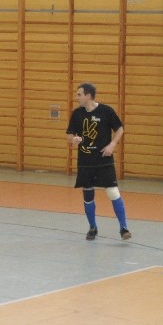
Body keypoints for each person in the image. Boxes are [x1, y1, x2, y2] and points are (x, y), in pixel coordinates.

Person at [66, 83, 131, 241]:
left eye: (79, 94)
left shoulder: (106, 111)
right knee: (88, 195)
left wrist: (112, 144)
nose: (77, 97)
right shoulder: (77, 114)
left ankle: (123, 228)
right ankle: (92, 227)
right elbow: (69, 135)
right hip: (86, 162)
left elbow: (120, 129)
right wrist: (74, 139)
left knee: (113, 192)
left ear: (88, 95)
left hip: (104, 161)